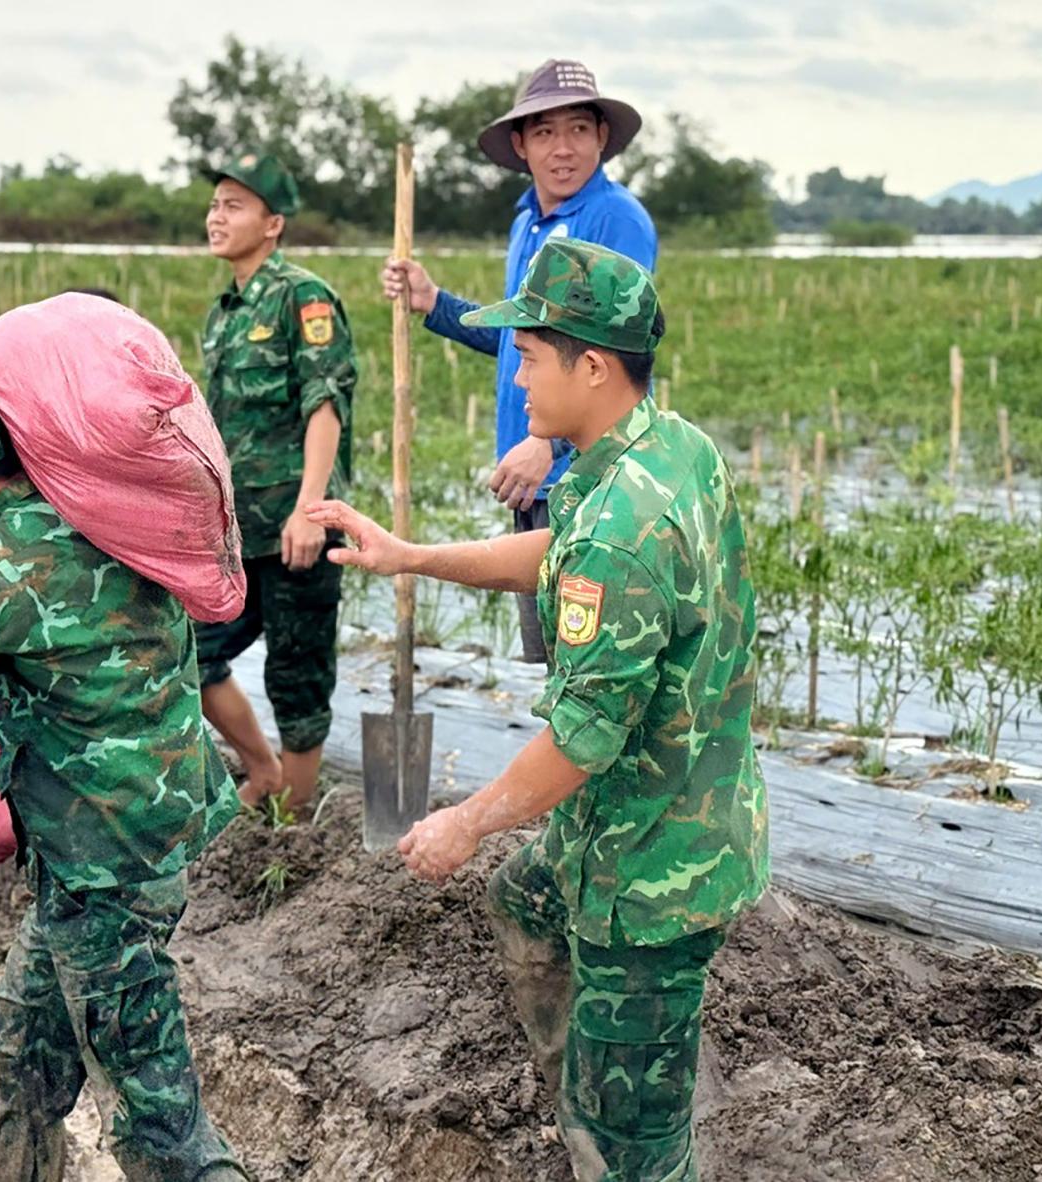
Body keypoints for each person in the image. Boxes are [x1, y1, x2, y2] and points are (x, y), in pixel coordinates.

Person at [313, 239, 768, 1181]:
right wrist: (409, 554)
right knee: (521, 898)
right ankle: (587, 1088)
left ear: (592, 367)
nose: (514, 377)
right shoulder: (664, 449)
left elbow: (579, 744)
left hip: (651, 873)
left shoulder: (623, 533)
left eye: (527, 355)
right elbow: (555, 551)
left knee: (632, 1153)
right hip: (670, 810)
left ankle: (614, 1118)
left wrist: (464, 822)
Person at [0, 373, 246, 1181]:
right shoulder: (91, 505)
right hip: (124, 834)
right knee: (17, 1046)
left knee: (156, 1116)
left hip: (106, 854)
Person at [382, 58, 656, 664]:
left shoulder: (615, 221)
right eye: (545, 132)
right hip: (538, 483)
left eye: (579, 130)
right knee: (561, 668)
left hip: (591, 477)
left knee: (597, 671)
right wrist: (437, 304)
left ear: (602, 137)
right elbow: (524, 343)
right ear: (520, 144)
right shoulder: (527, 219)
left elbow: (616, 355)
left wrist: (550, 445)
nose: (564, 149)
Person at [198, 151, 357, 812]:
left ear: (273, 224)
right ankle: (263, 771)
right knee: (192, 655)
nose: (216, 217)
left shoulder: (302, 296)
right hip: (239, 530)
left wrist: (310, 509)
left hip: (295, 525)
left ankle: (293, 823)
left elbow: (325, 406)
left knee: (297, 675)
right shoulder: (225, 312)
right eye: (214, 204)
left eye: (234, 205)